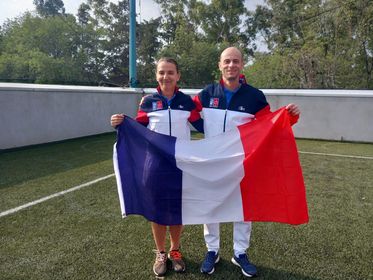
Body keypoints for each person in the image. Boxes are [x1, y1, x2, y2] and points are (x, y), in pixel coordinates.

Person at [194, 47, 300, 277]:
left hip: (242, 162)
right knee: (210, 206)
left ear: (242, 64)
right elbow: (188, 112)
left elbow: (270, 125)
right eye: (227, 61)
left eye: (235, 61)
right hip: (211, 162)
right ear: (219, 64)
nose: (231, 65)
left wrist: (290, 116)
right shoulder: (206, 93)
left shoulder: (254, 96)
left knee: (244, 208)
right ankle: (212, 250)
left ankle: (239, 253)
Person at [110, 57, 204, 277]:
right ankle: (161, 252)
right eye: (162, 72)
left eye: (170, 72)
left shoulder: (187, 102)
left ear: (178, 75)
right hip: (154, 166)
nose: (166, 77)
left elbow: (203, 125)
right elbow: (137, 126)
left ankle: (175, 250)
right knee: (157, 210)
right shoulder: (148, 101)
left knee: (177, 209)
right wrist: (120, 123)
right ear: (156, 75)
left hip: (181, 163)